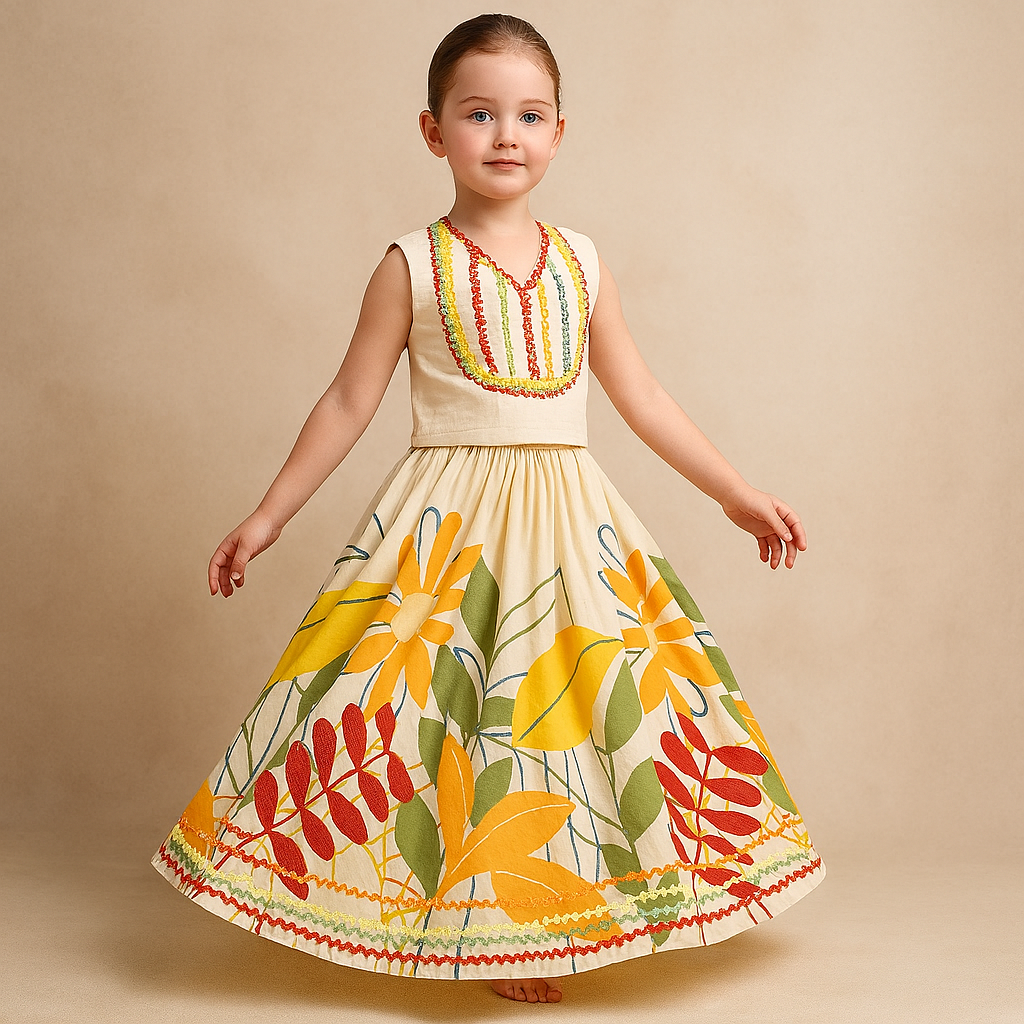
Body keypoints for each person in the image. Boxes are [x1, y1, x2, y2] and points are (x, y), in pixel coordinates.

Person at [151, 13, 825, 1005]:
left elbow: (641, 395)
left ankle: (542, 922)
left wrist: (735, 493)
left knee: (565, 711)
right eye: (479, 114)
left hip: (569, 526)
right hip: (446, 532)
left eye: (530, 115)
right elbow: (347, 401)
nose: (506, 135)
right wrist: (268, 516)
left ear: (558, 132)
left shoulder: (582, 262)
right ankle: (471, 926)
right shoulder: (410, 264)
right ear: (434, 132)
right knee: (441, 717)